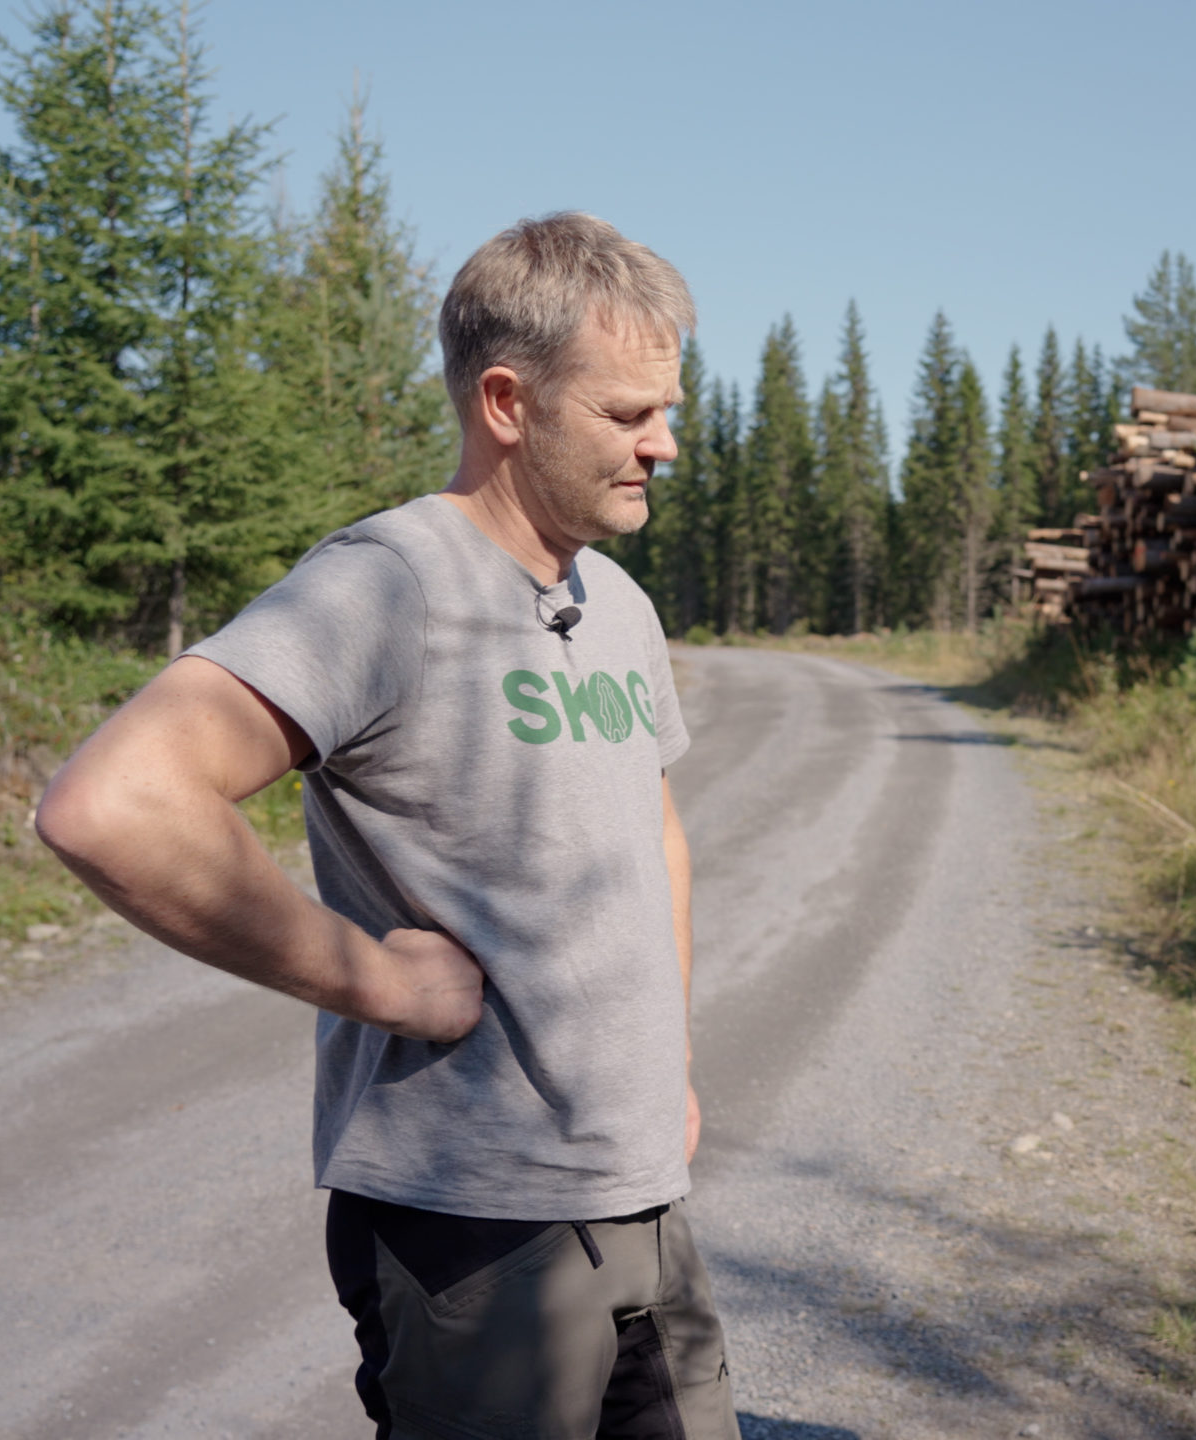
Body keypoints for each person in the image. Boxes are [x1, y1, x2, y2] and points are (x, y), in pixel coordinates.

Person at [37, 212, 739, 1440]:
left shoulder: (613, 601)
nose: (663, 444)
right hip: (476, 1227)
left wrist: (664, 1061)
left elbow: (654, 835)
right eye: (630, 413)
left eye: (666, 409)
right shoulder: (389, 585)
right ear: (509, 402)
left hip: (642, 1199)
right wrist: (375, 981)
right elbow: (116, 804)